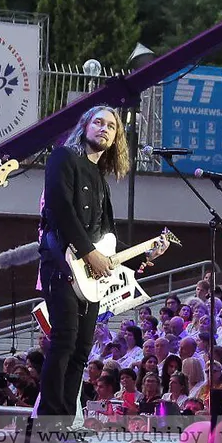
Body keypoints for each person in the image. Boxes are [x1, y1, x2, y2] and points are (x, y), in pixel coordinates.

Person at [36, 105, 164, 426]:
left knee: (81, 350)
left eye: (111, 126)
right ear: (85, 126)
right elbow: (60, 209)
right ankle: (48, 423)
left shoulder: (101, 179)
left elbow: (108, 239)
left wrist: (145, 255)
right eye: (98, 122)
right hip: (62, 263)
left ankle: (65, 423)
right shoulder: (63, 158)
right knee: (63, 341)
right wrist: (88, 252)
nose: (105, 129)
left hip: (90, 277)